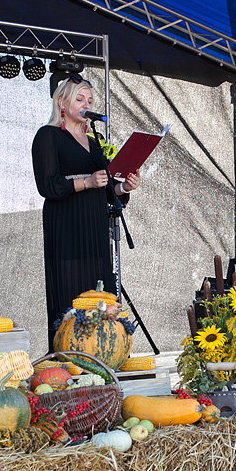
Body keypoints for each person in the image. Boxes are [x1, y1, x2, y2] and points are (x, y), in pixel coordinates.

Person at [31, 76, 141, 346]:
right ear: (62, 102)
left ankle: (102, 349)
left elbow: (105, 189)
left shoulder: (94, 142)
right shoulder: (49, 135)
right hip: (67, 223)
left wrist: (124, 187)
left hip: (94, 224)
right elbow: (48, 185)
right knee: (71, 290)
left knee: (99, 287)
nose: (86, 104)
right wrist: (86, 181)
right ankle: (69, 352)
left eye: (90, 100)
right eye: (79, 99)